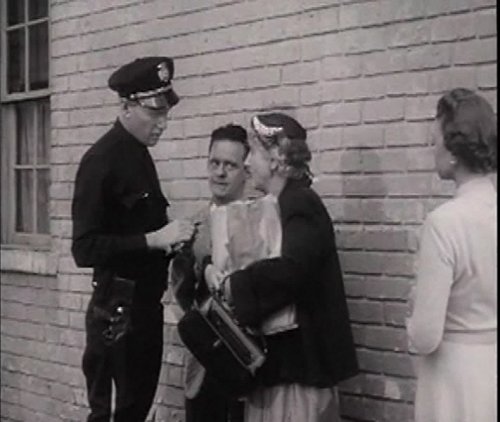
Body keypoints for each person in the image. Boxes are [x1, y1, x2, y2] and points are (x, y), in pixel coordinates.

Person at [205, 112, 359, 422]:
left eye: (254, 153)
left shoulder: (300, 203)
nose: (247, 164)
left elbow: (291, 270)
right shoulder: (279, 203)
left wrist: (235, 285)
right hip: (284, 368)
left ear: (276, 158)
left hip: (298, 372)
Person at [71, 56, 196, 422]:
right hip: (115, 312)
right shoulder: (101, 161)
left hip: (143, 309)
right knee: (113, 416)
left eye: (166, 113)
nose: (163, 123)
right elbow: (84, 248)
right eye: (155, 112)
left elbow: (139, 229)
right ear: (126, 106)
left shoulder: (139, 155)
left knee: (135, 413)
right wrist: (153, 240)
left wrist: (172, 241)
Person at [406, 88, 497, 422]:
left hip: (454, 379)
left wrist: (413, 309)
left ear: (455, 150)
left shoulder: (445, 223)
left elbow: (426, 336)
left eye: (435, 141)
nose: (433, 150)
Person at [170, 124, 249, 422]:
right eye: (214, 163)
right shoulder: (193, 229)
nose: (220, 172)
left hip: (248, 364)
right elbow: (179, 293)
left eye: (230, 165)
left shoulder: (261, 223)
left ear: (247, 171)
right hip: (205, 362)